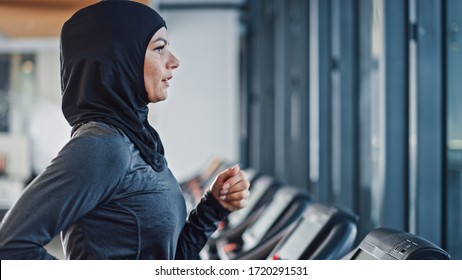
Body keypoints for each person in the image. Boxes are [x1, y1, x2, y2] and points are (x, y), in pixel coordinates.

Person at [0, 0, 250, 260]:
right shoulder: (102, 146)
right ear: (120, 59)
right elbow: (11, 245)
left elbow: (168, 261)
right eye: (159, 49)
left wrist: (212, 208)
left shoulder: (139, 141)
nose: (174, 61)